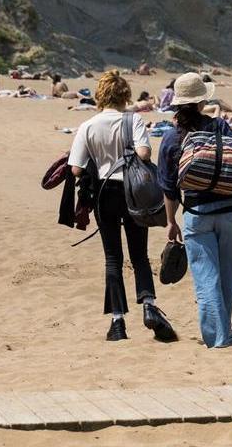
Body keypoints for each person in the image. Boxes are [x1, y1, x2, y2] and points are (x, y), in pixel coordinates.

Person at [68, 70, 177, 343]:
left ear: (100, 95)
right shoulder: (133, 120)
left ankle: (118, 321)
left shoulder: (88, 125)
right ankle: (149, 306)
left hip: (103, 193)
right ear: (125, 95)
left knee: (112, 257)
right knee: (139, 254)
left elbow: (76, 168)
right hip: (132, 193)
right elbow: (144, 153)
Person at [158, 73, 232, 348]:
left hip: (197, 213)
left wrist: (171, 221)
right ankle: (224, 329)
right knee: (229, 273)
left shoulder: (171, 138)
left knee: (206, 278)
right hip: (230, 209)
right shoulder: (219, 126)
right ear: (201, 102)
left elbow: (169, 188)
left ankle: (217, 336)